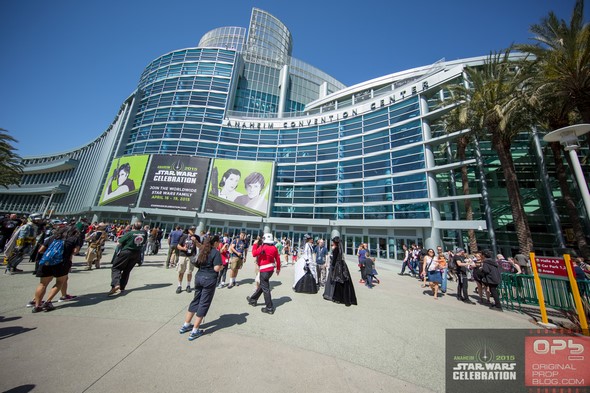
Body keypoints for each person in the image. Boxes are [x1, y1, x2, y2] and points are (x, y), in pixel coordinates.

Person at [178, 235, 223, 341]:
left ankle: (186, 324)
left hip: (199, 277)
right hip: (209, 278)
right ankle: (195, 330)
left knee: (196, 300)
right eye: (218, 242)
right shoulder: (215, 252)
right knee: (204, 302)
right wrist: (221, 266)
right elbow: (216, 268)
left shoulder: (203, 250)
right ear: (215, 242)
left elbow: (197, 262)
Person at [30, 224, 81, 313]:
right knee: (59, 282)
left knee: (42, 284)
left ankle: (37, 305)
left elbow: (41, 250)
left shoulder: (52, 238)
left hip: (46, 262)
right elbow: (75, 252)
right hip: (62, 263)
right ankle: (48, 302)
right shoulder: (74, 239)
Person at [107, 221, 146, 296]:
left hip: (126, 251)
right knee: (127, 271)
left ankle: (116, 284)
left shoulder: (130, 233)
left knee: (116, 268)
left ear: (133, 227)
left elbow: (119, 243)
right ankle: (122, 288)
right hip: (136, 253)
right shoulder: (144, 234)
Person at [247, 233, 281, 314]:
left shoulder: (263, 247)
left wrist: (255, 245)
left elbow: (254, 253)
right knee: (263, 285)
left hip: (264, 270)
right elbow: (278, 259)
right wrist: (278, 268)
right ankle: (253, 299)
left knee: (265, 288)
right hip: (271, 270)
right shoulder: (274, 248)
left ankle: (269, 307)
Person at [323, 236, 357, 306]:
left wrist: (332, 267)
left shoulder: (336, 249)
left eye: (333, 242)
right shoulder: (340, 249)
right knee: (343, 282)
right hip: (342, 266)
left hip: (337, 267)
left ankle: (337, 297)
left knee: (337, 281)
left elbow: (334, 260)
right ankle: (342, 297)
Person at [175, 226, 199, 294]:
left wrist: (195, 241)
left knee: (189, 272)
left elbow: (200, 246)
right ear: (189, 230)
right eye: (192, 230)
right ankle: (179, 285)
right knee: (181, 271)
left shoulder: (197, 237)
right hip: (183, 255)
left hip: (191, 256)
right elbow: (178, 246)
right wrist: (183, 248)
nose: (193, 231)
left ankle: (188, 285)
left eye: (194, 230)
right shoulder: (184, 236)